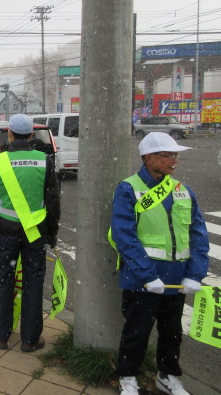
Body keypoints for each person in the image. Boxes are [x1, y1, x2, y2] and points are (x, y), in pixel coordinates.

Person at [110, 132, 209, 395]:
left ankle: (167, 375)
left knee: (172, 331)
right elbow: (124, 235)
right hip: (143, 279)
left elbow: (198, 235)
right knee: (136, 331)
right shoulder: (128, 188)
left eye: (175, 156)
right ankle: (128, 376)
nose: (174, 161)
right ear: (149, 158)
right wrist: (146, 274)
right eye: (168, 155)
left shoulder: (183, 191)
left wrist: (195, 274)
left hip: (177, 277)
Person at [0, 113, 60, 353]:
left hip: (6, 229)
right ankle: (30, 339)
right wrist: (51, 234)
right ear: (32, 135)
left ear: (10, 134)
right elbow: (53, 202)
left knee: (3, 281)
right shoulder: (45, 160)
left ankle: (1, 336)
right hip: (35, 231)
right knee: (33, 283)